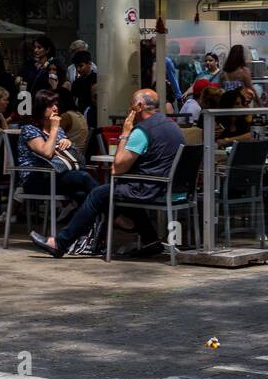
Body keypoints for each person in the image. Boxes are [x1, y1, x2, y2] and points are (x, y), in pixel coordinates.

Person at [29, 89, 184, 259]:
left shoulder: (142, 131)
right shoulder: (172, 125)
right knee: (117, 191)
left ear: (139, 106)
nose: (129, 107)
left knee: (99, 194)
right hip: (172, 188)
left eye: (131, 103)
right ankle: (151, 240)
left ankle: (60, 243)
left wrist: (125, 133)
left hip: (150, 188)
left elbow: (117, 169)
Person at [18, 89, 97, 205]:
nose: (55, 108)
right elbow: (47, 153)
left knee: (81, 193)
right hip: (35, 179)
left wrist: (67, 142)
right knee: (83, 177)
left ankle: (93, 221)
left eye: (56, 104)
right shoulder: (29, 129)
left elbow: (63, 153)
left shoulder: (58, 129)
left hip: (59, 175)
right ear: (40, 108)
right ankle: (113, 216)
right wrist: (54, 128)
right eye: (50, 105)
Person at [67, 50, 97, 126]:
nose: (78, 69)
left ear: (89, 64)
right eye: (76, 67)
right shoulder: (76, 82)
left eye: (81, 66)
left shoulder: (97, 79)